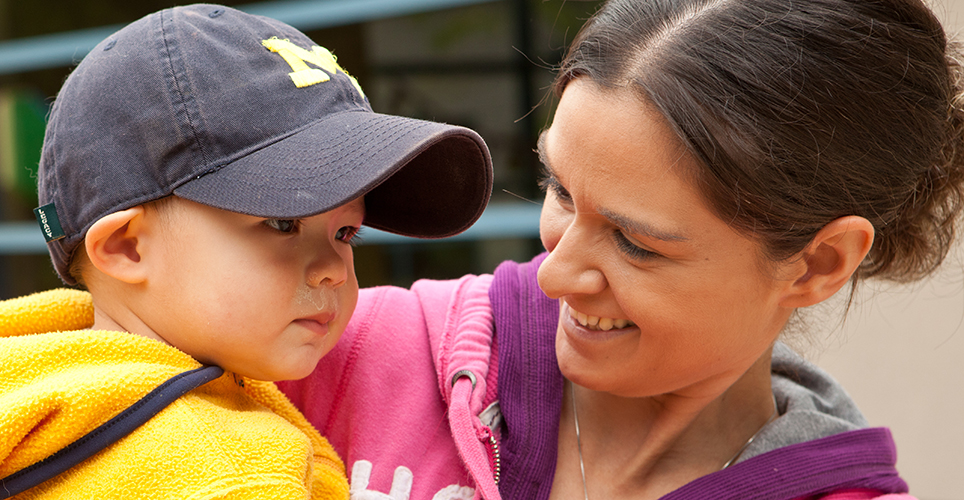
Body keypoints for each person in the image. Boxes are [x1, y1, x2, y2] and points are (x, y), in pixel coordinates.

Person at [277, 0, 964, 499]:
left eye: (635, 244)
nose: (557, 274)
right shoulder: (340, 349)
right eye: (560, 191)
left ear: (818, 264)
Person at [0, 4, 492, 499]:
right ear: (126, 247)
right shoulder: (230, 472)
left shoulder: (36, 385)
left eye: (345, 234)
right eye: (282, 223)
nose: (333, 272)